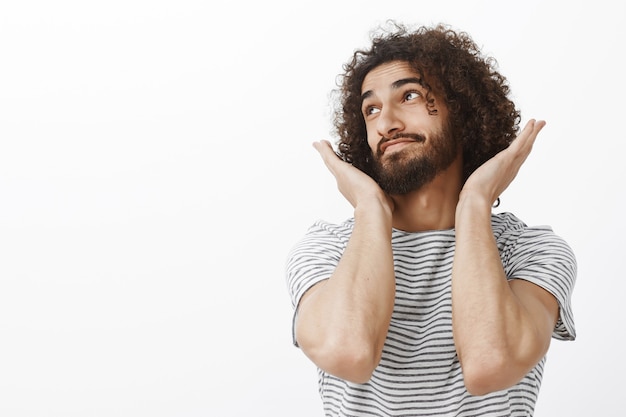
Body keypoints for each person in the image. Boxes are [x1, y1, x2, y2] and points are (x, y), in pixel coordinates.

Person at [285, 22, 576, 416]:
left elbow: (491, 365)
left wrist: (474, 202)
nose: (386, 122)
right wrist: (370, 208)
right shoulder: (328, 249)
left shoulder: (530, 251)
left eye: (409, 95)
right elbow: (349, 353)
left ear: (463, 111)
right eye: (371, 109)